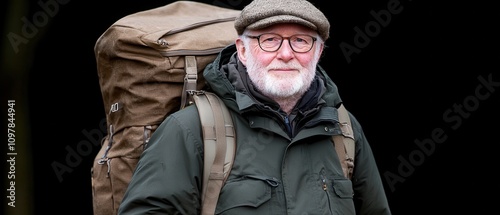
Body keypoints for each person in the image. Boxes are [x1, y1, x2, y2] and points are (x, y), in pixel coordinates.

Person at [118, 0, 392, 214]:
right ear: (243, 50)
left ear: (318, 52)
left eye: (301, 40)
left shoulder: (343, 129)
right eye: (269, 39)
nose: (286, 54)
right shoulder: (191, 129)